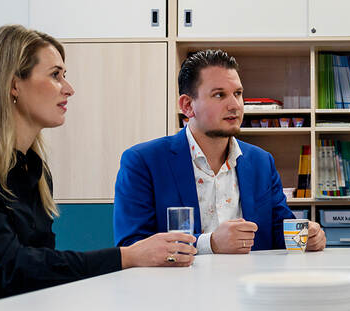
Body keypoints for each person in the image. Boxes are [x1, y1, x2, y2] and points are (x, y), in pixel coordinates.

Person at [0, 25, 196, 305]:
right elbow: (11, 269)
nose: (68, 89)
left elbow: (40, 266)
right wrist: (126, 257)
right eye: (56, 75)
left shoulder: (31, 170)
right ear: (14, 84)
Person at [113, 49, 326, 254]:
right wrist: (211, 243)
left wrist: (305, 236)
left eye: (238, 94)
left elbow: (278, 233)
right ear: (187, 106)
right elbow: (133, 246)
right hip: (178, 288)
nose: (235, 105)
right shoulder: (143, 162)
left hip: (250, 286)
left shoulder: (261, 162)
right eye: (219, 95)